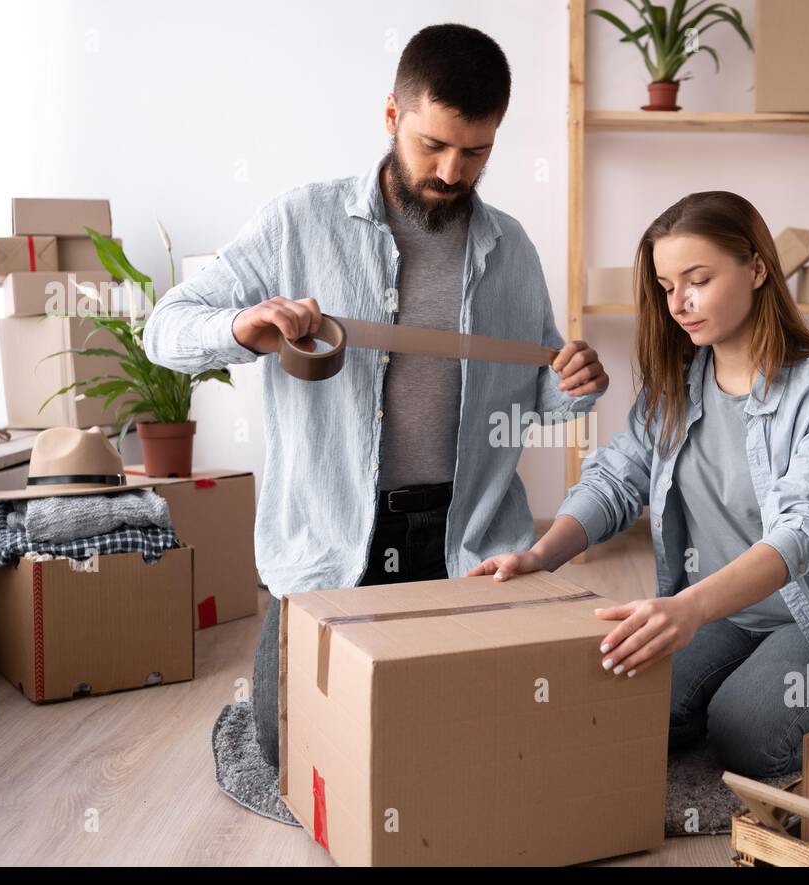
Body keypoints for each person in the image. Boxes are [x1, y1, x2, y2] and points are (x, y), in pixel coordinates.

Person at [145, 24, 608, 770]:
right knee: (288, 745)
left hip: (470, 537)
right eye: (433, 145)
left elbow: (538, 402)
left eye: (477, 151)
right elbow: (163, 329)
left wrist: (572, 388)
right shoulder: (299, 221)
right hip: (335, 545)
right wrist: (244, 324)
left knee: (501, 744)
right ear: (392, 115)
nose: (453, 171)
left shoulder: (511, 249)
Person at [470, 191, 809, 779]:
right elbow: (615, 478)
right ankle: (734, 686)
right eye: (665, 286)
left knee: (746, 736)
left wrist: (686, 609)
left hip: (807, 616)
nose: (679, 303)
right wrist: (539, 555)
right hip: (715, 615)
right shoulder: (675, 386)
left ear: (757, 268)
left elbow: (807, 527)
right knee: (615, 704)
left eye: (698, 280)